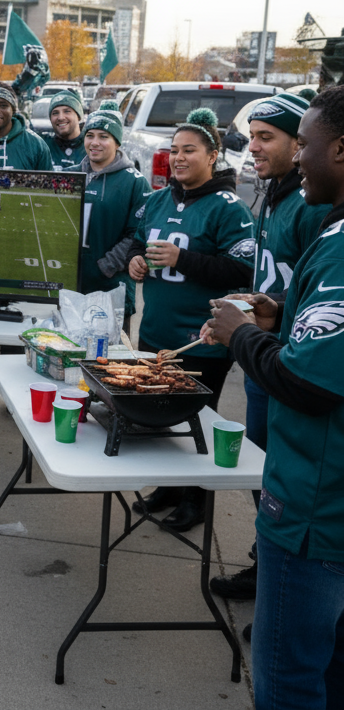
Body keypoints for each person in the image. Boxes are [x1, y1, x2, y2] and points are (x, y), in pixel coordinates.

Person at [200, 84, 344, 710]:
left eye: (304, 143)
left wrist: (239, 336)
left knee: (289, 684)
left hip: (317, 510)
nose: (300, 158)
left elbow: (311, 381)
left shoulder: (335, 241)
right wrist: (280, 314)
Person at [207, 91, 329, 605]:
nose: (254, 147)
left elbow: (316, 293)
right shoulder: (274, 194)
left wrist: (265, 322)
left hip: (289, 364)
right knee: (264, 474)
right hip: (264, 355)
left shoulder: (309, 204)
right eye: (251, 136)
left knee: (279, 479)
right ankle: (266, 570)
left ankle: (281, 585)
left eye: (268, 137)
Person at [125, 108, 254, 532]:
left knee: (197, 417)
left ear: (213, 154)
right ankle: (168, 488)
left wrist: (185, 259)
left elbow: (242, 272)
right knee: (161, 415)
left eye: (189, 150)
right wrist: (137, 262)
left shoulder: (229, 207)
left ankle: (196, 499)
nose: (178, 157)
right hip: (156, 331)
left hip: (202, 337)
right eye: (174, 150)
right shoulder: (157, 199)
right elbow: (136, 246)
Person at [77, 104, 150, 332]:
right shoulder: (71, 174)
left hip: (110, 287)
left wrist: (106, 266)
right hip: (72, 285)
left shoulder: (135, 183)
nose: (95, 142)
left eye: (103, 136)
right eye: (90, 136)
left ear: (117, 142)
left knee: (109, 360)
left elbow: (138, 234)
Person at [42, 89, 86, 170]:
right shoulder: (43, 147)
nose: (61, 117)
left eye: (67, 111)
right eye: (55, 113)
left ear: (78, 116)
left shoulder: (91, 146)